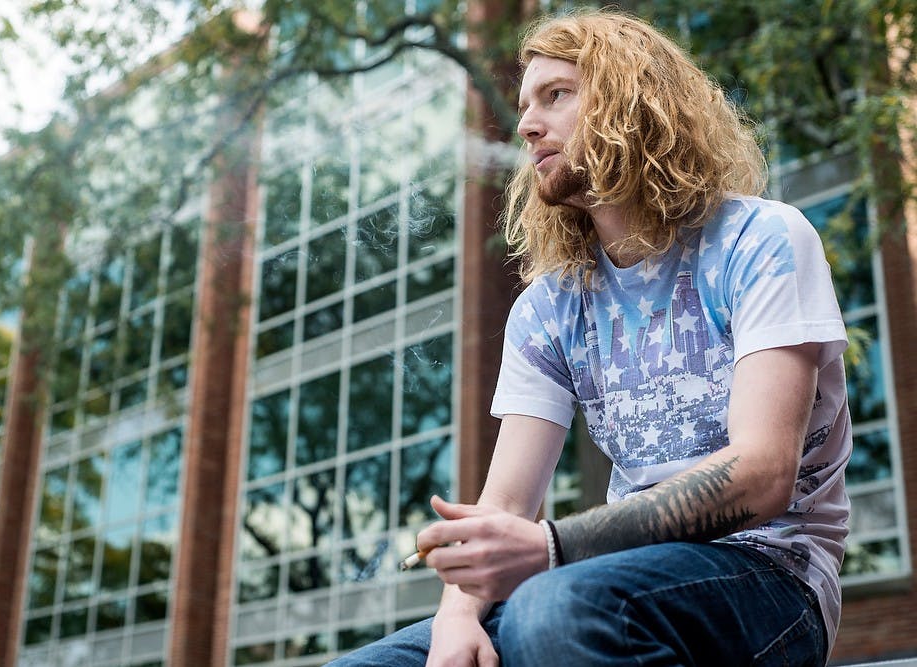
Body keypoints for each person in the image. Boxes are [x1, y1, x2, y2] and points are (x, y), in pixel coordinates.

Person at [327, 8, 850, 667]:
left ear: (632, 102)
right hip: (594, 589)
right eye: (524, 105)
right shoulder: (546, 310)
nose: (525, 124)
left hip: (771, 580)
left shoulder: (763, 240)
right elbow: (507, 504)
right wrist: (459, 614)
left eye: (556, 95)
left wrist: (549, 549)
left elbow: (762, 476)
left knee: (555, 610)